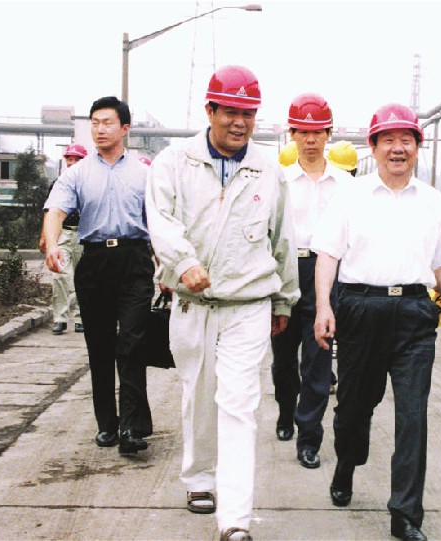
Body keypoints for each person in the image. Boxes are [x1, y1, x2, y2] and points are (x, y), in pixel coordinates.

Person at [145, 65, 298, 541]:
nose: (239, 122)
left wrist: (284, 299)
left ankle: (234, 519)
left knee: (239, 404)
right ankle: (198, 478)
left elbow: (282, 239)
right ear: (209, 110)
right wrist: (183, 262)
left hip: (247, 304)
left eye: (248, 113)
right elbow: (160, 221)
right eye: (230, 111)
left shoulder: (268, 171)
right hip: (192, 303)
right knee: (198, 394)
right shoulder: (174, 162)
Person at [312, 103, 441, 541]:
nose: (398, 148)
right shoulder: (351, 196)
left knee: (413, 416)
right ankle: (346, 462)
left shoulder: (434, 201)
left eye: (406, 140)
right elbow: (327, 255)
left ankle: (406, 514)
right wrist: (324, 307)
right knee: (354, 409)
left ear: (417, 147)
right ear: (374, 147)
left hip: (415, 313)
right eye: (389, 140)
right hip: (361, 308)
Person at [43, 96, 154, 457]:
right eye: (95, 123)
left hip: (135, 260)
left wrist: (169, 267)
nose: (100, 129)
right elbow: (55, 210)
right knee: (101, 345)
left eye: (107, 122)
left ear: (125, 128)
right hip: (94, 263)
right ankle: (108, 423)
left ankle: (132, 426)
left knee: (132, 342)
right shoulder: (76, 174)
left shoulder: (143, 173)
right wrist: (52, 244)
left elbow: (159, 221)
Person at [271, 93, 350, 471]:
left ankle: (309, 437)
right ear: (292, 134)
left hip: (328, 274)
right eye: (303, 132)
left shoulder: (345, 185)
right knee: (284, 358)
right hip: (288, 272)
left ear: (328, 134)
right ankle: (286, 410)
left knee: (318, 361)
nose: (311, 139)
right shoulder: (280, 181)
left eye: (318, 132)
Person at [40, 143, 87, 335]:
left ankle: (81, 317)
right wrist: (45, 236)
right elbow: (49, 210)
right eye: (70, 159)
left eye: (77, 159)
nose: (72, 162)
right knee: (59, 274)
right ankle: (60, 318)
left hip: (84, 234)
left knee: (83, 276)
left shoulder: (90, 183)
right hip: (63, 233)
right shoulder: (58, 184)